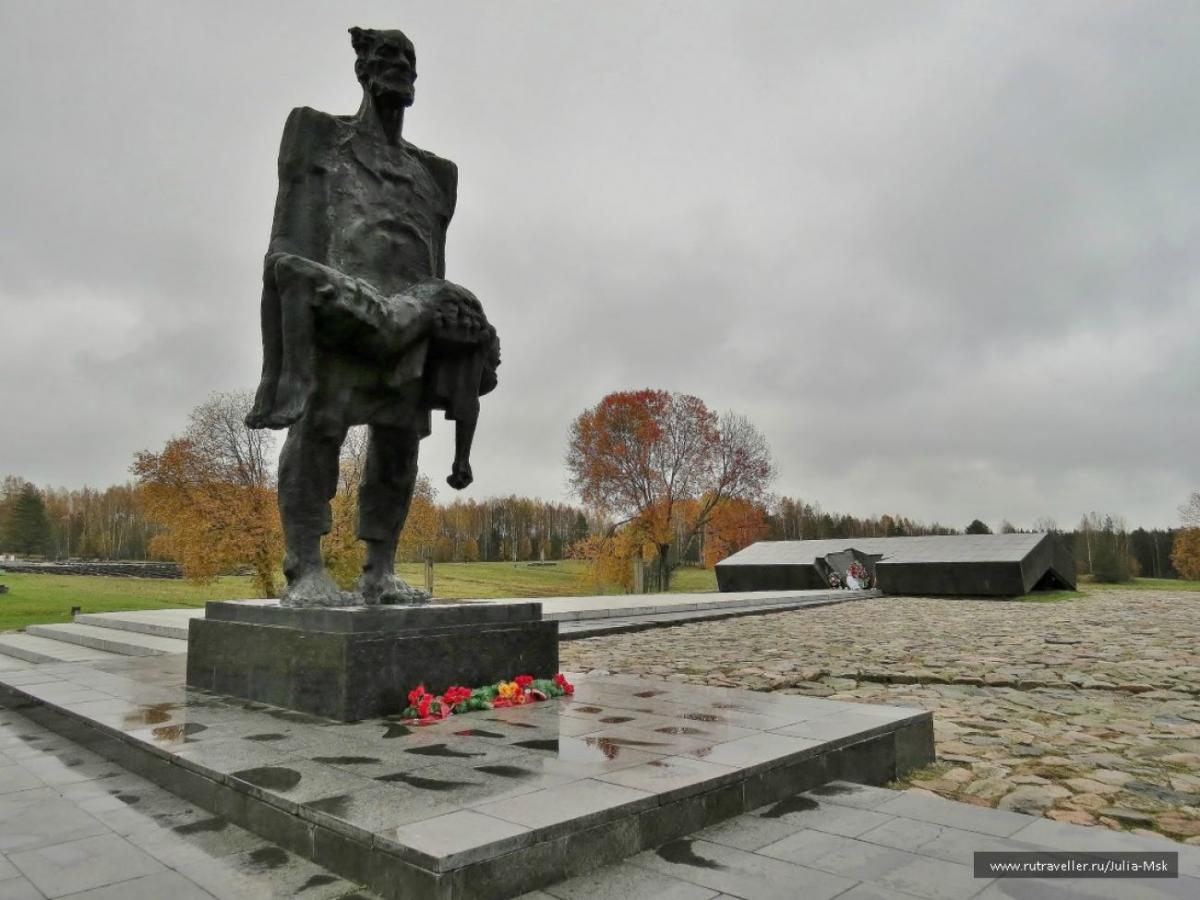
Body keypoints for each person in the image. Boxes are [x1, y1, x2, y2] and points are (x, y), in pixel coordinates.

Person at [245, 27, 497, 607]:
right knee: (319, 428)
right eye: (387, 56)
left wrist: (442, 336)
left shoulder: (434, 174)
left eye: (409, 59)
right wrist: (287, 330)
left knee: (400, 445)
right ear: (363, 68)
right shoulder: (321, 136)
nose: (399, 67)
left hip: (413, 322)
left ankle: (379, 571)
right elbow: (290, 231)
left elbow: (433, 253)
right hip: (343, 308)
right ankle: (304, 565)